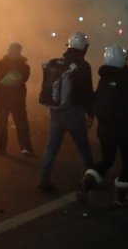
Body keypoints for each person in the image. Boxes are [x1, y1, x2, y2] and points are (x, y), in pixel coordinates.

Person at [76, 45, 128, 206]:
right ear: (123, 60)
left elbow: (97, 101)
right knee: (127, 160)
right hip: (124, 128)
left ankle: (87, 181)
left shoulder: (104, 79)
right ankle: (120, 197)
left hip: (105, 128)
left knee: (107, 159)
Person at [37, 32, 95, 192]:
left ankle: (44, 179)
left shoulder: (58, 63)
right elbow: (87, 93)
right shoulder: (83, 66)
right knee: (83, 146)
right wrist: (90, 113)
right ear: (84, 48)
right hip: (74, 113)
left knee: (52, 146)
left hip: (56, 112)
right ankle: (89, 179)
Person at [0, 42, 34, 155]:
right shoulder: (25, 66)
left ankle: (0, 148)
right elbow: (20, 78)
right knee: (21, 124)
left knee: (2, 124)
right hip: (17, 98)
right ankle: (26, 147)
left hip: (2, 98)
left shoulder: (1, 64)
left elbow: (2, 77)